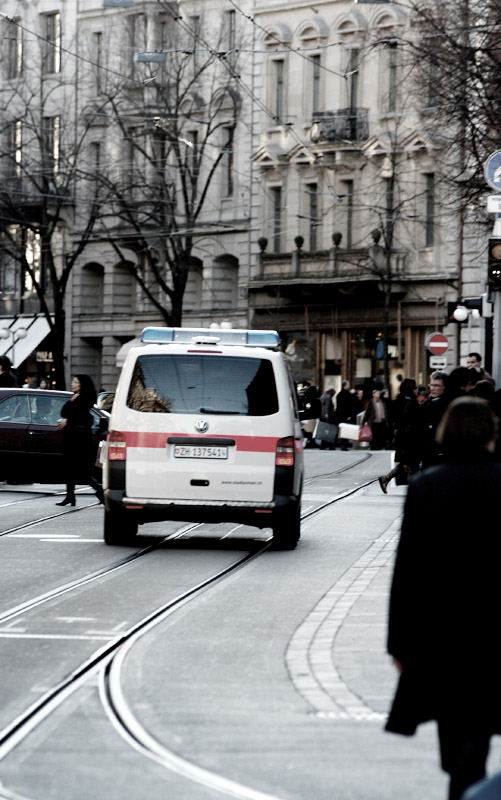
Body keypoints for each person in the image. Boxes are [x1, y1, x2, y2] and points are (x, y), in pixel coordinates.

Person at [386, 397, 501, 800]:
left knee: (456, 733)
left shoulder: (427, 485)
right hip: (494, 633)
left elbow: (408, 574)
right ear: (491, 433)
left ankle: (463, 784)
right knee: (482, 729)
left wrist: (398, 645)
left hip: (443, 636)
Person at [56, 374, 104, 506]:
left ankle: (99, 491)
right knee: (70, 468)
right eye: (72, 381)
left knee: (81, 469)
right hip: (71, 437)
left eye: (75, 382)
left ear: (82, 384)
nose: (72, 384)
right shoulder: (75, 397)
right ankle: (70, 496)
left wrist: (68, 421)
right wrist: (66, 419)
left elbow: (84, 417)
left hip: (80, 438)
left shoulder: (85, 398)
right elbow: (64, 412)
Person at [378, 378, 420, 493]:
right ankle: (417, 488)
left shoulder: (398, 400)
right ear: (411, 389)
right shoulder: (411, 401)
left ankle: (386, 479)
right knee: (412, 461)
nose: (417, 390)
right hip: (409, 436)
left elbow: (392, 418)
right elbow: (413, 419)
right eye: (415, 387)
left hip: (401, 436)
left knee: (407, 461)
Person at [418, 370, 449, 468]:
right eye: (431, 385)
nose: (433, 388)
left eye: (437, 385)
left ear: (444, 387)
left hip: (444, 452)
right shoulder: (425, 405)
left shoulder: (449, 405)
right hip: (427, 453)